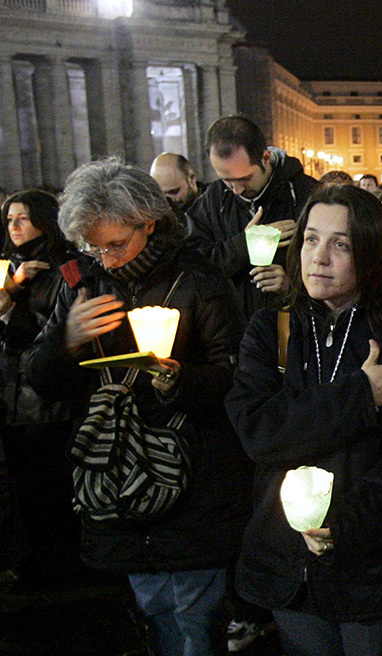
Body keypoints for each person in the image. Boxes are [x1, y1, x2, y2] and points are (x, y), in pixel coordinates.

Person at [26, 159, 251, 656]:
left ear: (148, 221)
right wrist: (66, 340)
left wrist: (176, 379)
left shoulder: (199, 277)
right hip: (117, 474)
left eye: (114, 244)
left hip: (194, 474)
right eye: (92, 246)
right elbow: (42, 381)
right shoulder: (80, 282)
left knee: (197, 615)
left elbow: (234, 377)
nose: (103, 258)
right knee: (152, 610)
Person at [224, 184, 382, 656]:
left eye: (340, 244)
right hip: (288, 568)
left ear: (370, 255)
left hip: (372, 571)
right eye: (310, 239)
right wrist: (361, 396)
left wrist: (349, 522)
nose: (318, 257)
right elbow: (258, 433)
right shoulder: (272, 330)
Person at [0, 190, 83, 586]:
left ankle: (57, 562)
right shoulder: (10, 267)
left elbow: (57, 328)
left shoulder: (64, 266)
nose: (14, 227)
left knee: (49, 482)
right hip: (12, 394)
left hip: (46, 398)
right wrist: (12, 289)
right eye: (10, 219)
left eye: (23, 218)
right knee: (23, 483)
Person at [186, 115, 318, 320]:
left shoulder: (307, 194)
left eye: (244, 179)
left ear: (265, 158)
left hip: (294, 327)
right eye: (226, 180)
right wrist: (242, 245)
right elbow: (192, 264)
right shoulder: (214, 198)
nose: (236, 190)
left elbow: (336, 270)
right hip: (233, 329)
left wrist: (292, 285)